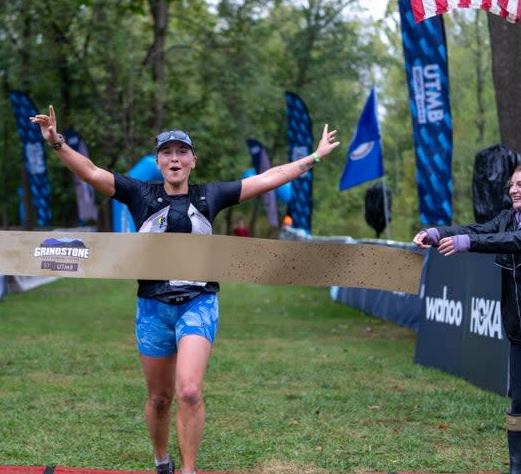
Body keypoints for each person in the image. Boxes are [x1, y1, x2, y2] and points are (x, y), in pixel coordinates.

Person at [31, 105, 339, 474]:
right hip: (153, 308)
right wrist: (57, 143)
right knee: (160, 398)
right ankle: (163, 461)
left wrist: (316, 156)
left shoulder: (211, 196)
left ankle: (189, 471)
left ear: (193, 160)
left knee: (189, 390)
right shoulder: (138, 193)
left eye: (181, 152)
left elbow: (269, 177)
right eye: (167, 152)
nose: (174, 158)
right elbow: (92, 172)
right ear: (158, 161)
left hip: (198, 303)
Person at [413, 163, 521, 474]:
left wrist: (469, 244)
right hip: (519, 331)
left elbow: (517, 241)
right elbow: (480, 230)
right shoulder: (508, 217)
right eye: (512, 185)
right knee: (520, 404)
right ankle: (518, 468)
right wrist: (437, 233)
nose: (514, 190)